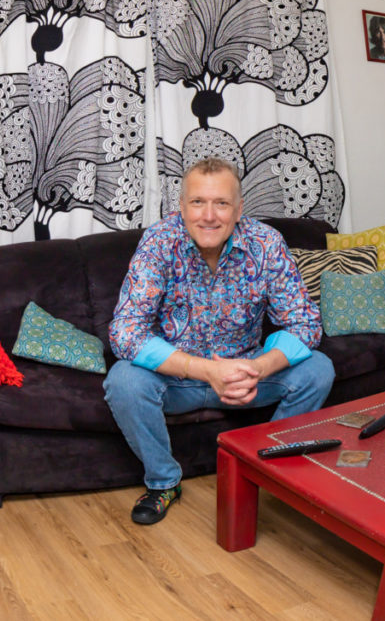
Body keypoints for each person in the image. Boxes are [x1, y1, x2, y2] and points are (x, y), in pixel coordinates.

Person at [104, 157, 335, 525]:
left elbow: (305, 323)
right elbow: (125, 332)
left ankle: (263, 467)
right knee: (123, 381)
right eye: (198, 202)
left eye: (221, 203)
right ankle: (164, 482)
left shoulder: (266, 244)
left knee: (319, 369)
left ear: (239, 209)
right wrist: (204, 370)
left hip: (247, 376)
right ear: (181, 206)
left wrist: (259, 367)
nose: (209, 216)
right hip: (178, 378)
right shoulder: (159, 243)